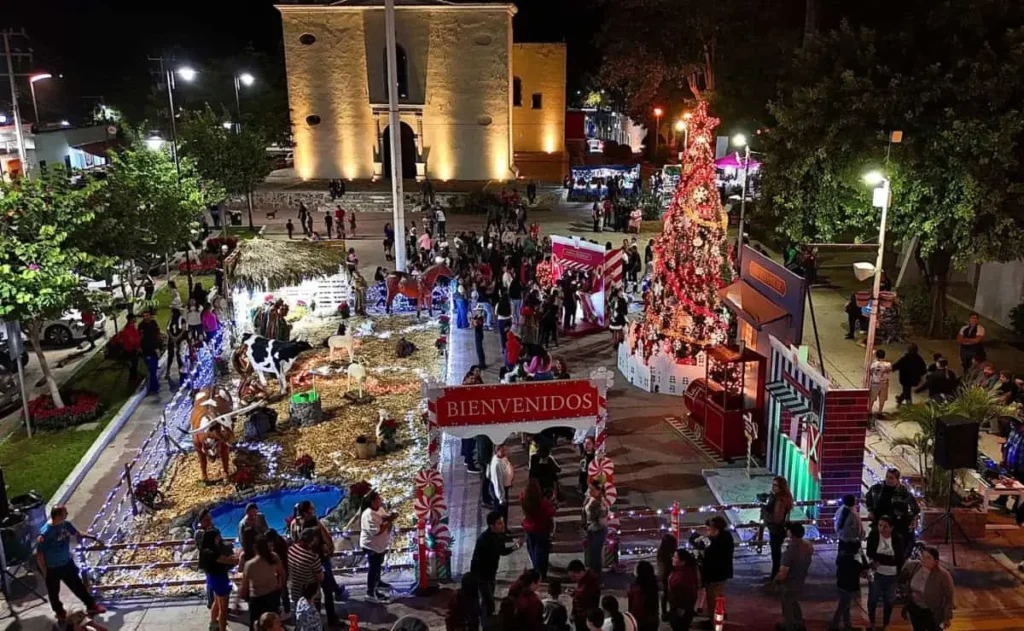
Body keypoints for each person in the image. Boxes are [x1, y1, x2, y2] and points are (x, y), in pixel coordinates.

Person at [35, 506, 107, 623]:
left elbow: (77, 533)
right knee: (54, 592)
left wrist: (93, 537)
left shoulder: (66, 525)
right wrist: (45, 571)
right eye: (65, 513)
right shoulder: (46, 533)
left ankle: (91, 606)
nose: (67, 514)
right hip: (52, 568)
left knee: (78, 585)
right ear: (58, 515)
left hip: (67, 563)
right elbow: (39, 554)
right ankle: (59, 612)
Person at [469, 511, 521, 617]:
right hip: (481, 575)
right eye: (499, 523)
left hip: (491, 573)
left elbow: (502, 550)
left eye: (502, 522)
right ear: (492, 526)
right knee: (488, 603)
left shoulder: (498, 535)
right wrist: (516, 546)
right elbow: (501, 551)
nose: (503, 525)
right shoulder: (485, 539)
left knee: (489, 598)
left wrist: (516, 546)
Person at [899, 546, 954, 631]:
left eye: (928, 557)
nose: (924, 559)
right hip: (915, 610)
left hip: (933, 613)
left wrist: (946, 617)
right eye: (923, 556)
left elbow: (949, 598)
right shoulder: (914, 566)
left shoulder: (943, 575)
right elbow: (902, 578)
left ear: (936, 561)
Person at [773, 522, 814, 631]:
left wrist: (775, 580)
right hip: (800, 579)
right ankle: (799, 623)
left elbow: (783, 573)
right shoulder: (807, 546)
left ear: (791, 533)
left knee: (787, 606)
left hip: (789, 583)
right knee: (794, 602)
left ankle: (789, 626)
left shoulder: (790, 552)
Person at [866, 515, 905, 630]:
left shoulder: (898, 539)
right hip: (877, 574)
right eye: (880, 525)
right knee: (872, 599)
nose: (882, 529)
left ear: (891, 528)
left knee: (889, 601)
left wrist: (880, 559)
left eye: (885, 526)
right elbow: (870, 553)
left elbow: (898, 559)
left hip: (892, 575)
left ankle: (885, 624)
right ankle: (871, 621)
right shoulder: (873, 536)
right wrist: (888, 559)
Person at [241, 534, 286, 631]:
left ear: (255, 548)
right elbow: (282, 574)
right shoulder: (273, 557)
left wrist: (238, 601)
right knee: (274, 624)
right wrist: (280, 585)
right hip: (273, 596)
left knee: (256, 625)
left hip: (257, 598)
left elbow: (244, 586)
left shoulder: (250, 565)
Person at [866, 467, 920, 547]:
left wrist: (909, 517)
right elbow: (868, 499)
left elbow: (915, 508)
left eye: (891, 478)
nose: (888, 480)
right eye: (887, 477)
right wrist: (870, 511)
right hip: (879, 521)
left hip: (896, 524)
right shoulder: (876, 488)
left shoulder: (903, 491)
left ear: (897, 479)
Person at [360, 491, 398, 602]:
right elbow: (376, 531)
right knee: (373, 568)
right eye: (377, 500)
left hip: (380, 546)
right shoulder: (368, 514)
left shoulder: (380, 509)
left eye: (379, 499)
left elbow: (384, 518)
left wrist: (390, 517)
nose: (379, 501)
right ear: (372, 502)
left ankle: (377, 584)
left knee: (377, 566)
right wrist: (388, 521)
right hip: (371, 546)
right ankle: (370, 592)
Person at [199, 528, 238, 631]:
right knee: (223, 609)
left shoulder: (204, 551)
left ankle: (213, 623)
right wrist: (238, 557)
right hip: (220, 580)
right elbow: (229, 561)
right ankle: (222, 628)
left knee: (216, 602)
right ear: (213, 538)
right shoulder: (212, 553)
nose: (220, 538)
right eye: (217, 537)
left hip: (212, 579)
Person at [521, 479, 556, 579]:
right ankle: (541, 572)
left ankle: (535, 566)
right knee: (542, 551)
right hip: (541, 529)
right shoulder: (543, 504)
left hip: (528, 527)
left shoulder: (523, 499)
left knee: (531, 547)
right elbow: (551, 513)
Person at [763, 476, 794, 580]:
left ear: (781, 486)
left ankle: (775, 576)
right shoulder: (782, 497)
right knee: (776, 553)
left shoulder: (780, 500)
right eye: (773, 484)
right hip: (778, 529)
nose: (773, 487)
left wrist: (765, 514)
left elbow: (777, 518)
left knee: (776, 554)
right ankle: (776, 575)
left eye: (776, 485)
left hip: (776, 530)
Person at [287, 528, 324, 614]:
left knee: (299, 614)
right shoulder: (313, 557)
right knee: (313, 615)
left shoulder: (291, 549)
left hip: (295, 588)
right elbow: (320, 577)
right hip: (309, 593)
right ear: (312, 541)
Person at [702, 515, 734, 612]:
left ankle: (713, 619)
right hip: (722, 573)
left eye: (709, 529)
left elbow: (710, 554)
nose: (708, 531)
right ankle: (721, 612)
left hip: (715, 574)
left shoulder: (719, 542)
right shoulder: (726, 537)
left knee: (713, 597)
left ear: (715, 529)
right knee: (719, 595)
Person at [832, 546, 865, 631]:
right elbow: (865, 568)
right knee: (843, 607)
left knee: (845, 607)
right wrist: (863, 555)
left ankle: (847, 625)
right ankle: (834, 626)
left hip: (841, 586)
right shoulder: (855, 564)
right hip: (849, 588)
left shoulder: (841, 561)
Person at [666, 549, 700, 631]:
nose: (672, 559)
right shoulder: (680, 570)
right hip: (677, 608)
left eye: (675, 557)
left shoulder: (685, 576)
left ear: (683, 562)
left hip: (681, 610)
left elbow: (688, 594)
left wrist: (680, 610)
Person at [584, 480, 609, 575]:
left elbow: (601, 522)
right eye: (589, 489)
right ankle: (592, 574)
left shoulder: (600, 504)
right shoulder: (590, 498)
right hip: (591, 529)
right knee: (591, 554)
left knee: (596, 555)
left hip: (598, 531)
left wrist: (592, 525)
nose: (589, 491)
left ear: (599, 491)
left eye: (592, 489)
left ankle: (597, 576)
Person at [568, 559, 601, 631]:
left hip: (586, 617)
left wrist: (575, 593)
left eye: (574, 576)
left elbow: (585, 595)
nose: (573, 579)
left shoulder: (591, 581)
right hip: (579, 615)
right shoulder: (582, 580)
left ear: (581, 572)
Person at [627, 561, 659, 631]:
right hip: (652, 619)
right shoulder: (653, 585)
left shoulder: (635, 587)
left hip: (639, 619)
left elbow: (633, 604)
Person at [489, 444, 515, 524]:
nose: (505, 452)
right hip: (500, 491)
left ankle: (505, 528)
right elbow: (498, 483)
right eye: (502, 451)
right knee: (501, 512)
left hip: (505, 486)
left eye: (505, 450)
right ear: (497, 451)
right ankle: (501, 530)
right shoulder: (496, 464)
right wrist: (501, 498)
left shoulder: (503, 457)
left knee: (505, 511)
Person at [138, 310, 162, 395]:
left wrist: (158, 347)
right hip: (147, 350)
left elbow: (157, 334)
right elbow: (140, 338)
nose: (146, 317)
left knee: (153, 369)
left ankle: (154, 386)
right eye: (144, 316)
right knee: (151, 370)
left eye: (147, 315)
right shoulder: (141, 326)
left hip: (154, 349)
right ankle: (154, 387)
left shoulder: (153, 323)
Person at [655, 534, 678, 622]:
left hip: (664, 577)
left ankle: (664, 613)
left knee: (665, 595)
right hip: (668, 577)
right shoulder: (668, 555)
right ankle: (669, 613)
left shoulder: (661, 553)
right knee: (669, 595)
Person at [868, 348, 893, 416]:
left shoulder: (874, 364)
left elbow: (870, 371)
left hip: (875, 383)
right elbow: (890, 370)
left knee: (872, 398)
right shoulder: (888, 365)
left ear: (877, 356)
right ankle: (880, 411)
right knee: (882, 398)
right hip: (884, 383)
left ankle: (870, 410)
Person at [121, 314, 141, 383]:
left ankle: (133, 377)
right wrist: (137, 347)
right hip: (131, 349)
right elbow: (131, 340)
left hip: (133, 348)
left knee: (135, 364)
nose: (136, 319)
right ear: (131, 319)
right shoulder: (128, 329)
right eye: (134, 318)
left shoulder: (132, 327)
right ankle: (133, 379)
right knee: (134, 364)